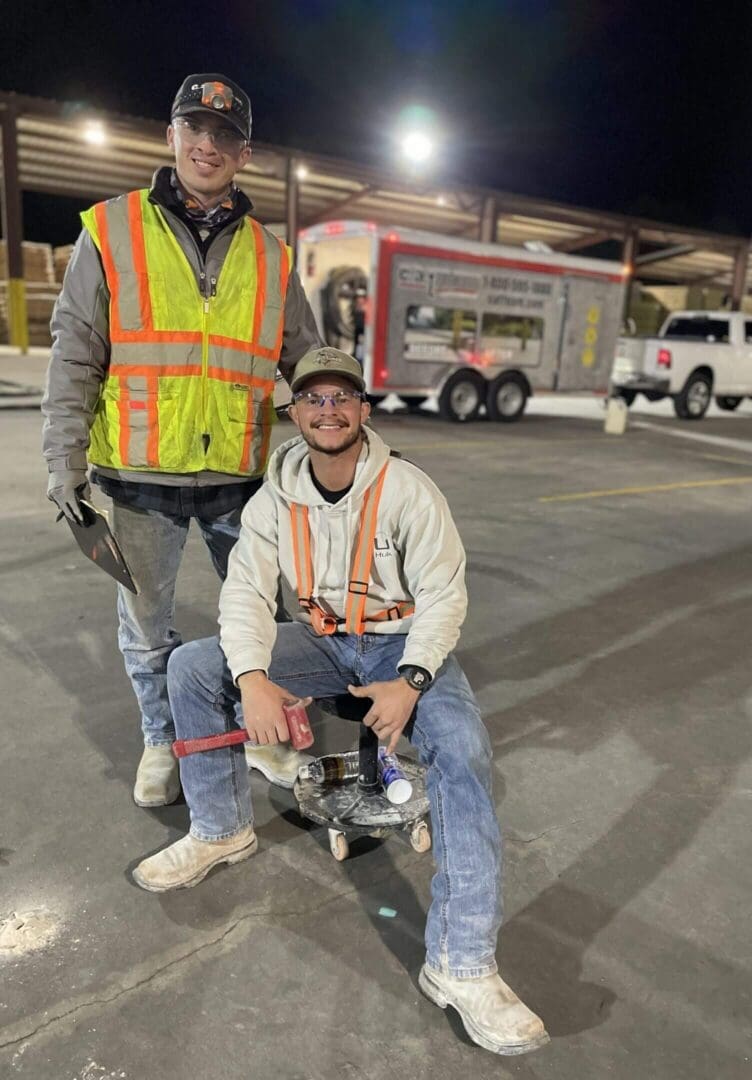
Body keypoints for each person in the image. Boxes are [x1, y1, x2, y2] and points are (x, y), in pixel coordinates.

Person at [132, 346, 550, 1056]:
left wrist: (411, 680)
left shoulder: (408, 490)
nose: (328, 411)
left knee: (462, 747)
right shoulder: (274, 499)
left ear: (364, 409)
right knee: (194, 667)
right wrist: (252, 678)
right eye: (313, 399)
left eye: (341, 398)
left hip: (400, 646)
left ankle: (461, 964)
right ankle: (220, 829)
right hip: (325, 641)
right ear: (294, 413)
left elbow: (445, 595)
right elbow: (245, 592)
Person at [42, 74, 322, 807]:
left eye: (225, 135)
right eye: (195, 128)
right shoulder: (112, 230)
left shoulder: (272, 256)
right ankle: (162, 739)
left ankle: (262, 733)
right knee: (146, 628)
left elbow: (309, 362)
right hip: (138, 477)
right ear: (170, 136)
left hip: (240, 477)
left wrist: (350, 444)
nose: (208, 144)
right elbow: (75, 354)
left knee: (264, 619)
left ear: (245, 153)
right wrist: (63, 463)